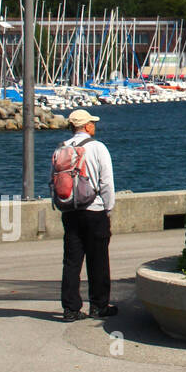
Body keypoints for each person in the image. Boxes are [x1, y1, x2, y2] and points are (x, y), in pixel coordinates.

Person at [59, 109, 117, 322]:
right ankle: (99, 305)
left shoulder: (62, 148)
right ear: (87, 126)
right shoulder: (98, 147)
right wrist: (108, 208)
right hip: (94, 209)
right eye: (92, 122)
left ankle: (71, 308)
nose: (95, 125)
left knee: (72, 261)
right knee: (98, 259)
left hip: (70, 210)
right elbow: (106, 182)